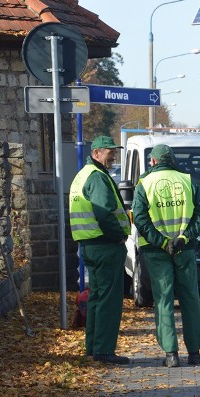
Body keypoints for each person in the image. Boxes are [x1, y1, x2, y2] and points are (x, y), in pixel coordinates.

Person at [132, 144, 200, 368]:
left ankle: (171, 355)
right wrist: (184, 238)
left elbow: (140, 219)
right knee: (190, 299)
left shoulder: (144, 183)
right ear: (171, 160)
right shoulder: (187, 180)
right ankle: (194, 353)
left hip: (157, 252)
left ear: (153, 162)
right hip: (185, 249)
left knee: (164, 300)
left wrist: (162, 241)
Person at [68, 135, 131, 365]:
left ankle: (93, 348)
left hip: (90, 245)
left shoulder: (82, 175)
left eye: (114, 151)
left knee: (96, 297)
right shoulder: (96, 177)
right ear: (96, 153)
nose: (113, 155)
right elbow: (104, 212)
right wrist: (119, 235)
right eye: (109, 151)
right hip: (105, 245)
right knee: (109, 300)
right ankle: (104, 350)